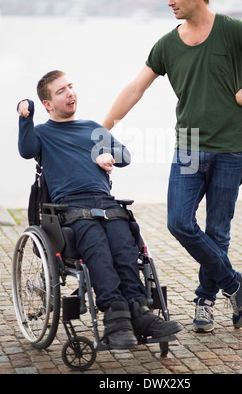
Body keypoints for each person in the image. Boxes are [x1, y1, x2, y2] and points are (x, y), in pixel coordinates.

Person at [102, 0, 242, 332]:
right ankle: (236, 284)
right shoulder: (167, 44)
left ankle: (204, 301)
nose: (169, 2)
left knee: (218, 230)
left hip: (231, 146)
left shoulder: (234, 31)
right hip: (189, 142)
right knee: (179, 221)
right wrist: (100, 128)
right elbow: (135, 89)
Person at [17, 69, 181, 349]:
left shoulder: (93, 128)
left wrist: (108, 154)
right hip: (70, 207)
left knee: (125, 250)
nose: (70, 93)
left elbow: (125, 155)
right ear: (48, 104)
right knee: (98, 251)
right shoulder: (43, 133)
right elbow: (26, 148)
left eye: (71, 86)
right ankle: (116, 318)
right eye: (61, 91)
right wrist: (25, 116)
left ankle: (139, 311)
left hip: (106, 204)